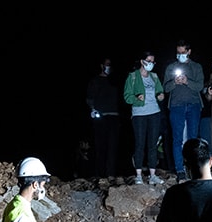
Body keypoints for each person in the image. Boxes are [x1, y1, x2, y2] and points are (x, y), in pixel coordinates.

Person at [163, 41, 205, 181]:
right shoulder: (171, 67)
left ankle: (193, 169)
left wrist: (187, 81)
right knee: (177, 139)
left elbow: (199, 86)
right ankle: (180, 170)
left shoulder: (196, 67)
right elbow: (166, 88)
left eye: (183, 52)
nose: (180, 55)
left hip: (193, 105)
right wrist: (175, 81)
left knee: (193, 138)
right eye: (178, 52)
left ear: (189, 51)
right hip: (176, 106)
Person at [124, 51, 165, 185]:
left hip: (154, 112)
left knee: (153, 145)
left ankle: (153, 175)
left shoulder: (154, 76)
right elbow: (127, 96)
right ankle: (139, 175)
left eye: (153, 62)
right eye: (148, 61)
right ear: (142, 61)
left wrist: (160, 96)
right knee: (140, 144)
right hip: (139, 114)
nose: (151, 64)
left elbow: (160, 92)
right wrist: (136, 99)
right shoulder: (133, 76)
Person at [86, 57, 122, 179]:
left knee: (113, 147)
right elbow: (89, 98)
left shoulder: (116, 81)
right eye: (107, 65)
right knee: (100, 146)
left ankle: (111, 174)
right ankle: (99, 175)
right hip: (100, 117)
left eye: (111, 65)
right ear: (102, 65)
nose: (109, 67)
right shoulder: (95, 81)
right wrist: (93, 109)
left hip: (114, 116)